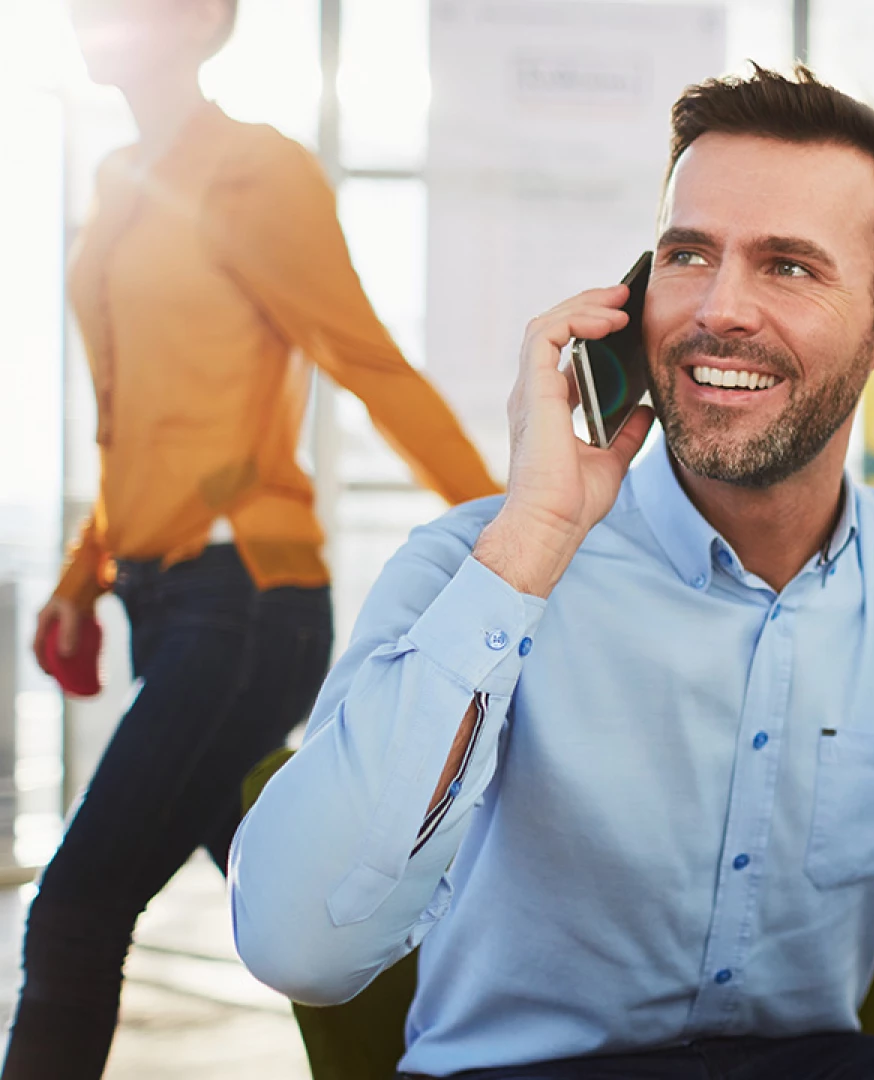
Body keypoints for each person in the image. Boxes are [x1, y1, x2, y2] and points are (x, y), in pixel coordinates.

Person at [231, 66, 874, 1080]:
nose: (719, 309)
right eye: (689, 255)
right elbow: (299, 949)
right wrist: (539, 532)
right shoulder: (476, 566)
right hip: (533, 1068)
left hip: (806, 1062)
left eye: (788, 266)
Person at [7, 0, 500, 1075]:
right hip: (159, 595)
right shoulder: (113, 186)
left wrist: (523, 540)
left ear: (199, 18)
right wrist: (81, 577)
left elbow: (368, 363)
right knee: (310, 907)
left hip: (245, 603)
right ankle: (492, 1035)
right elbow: (133, 416)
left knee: (76, 908)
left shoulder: (255, 175)